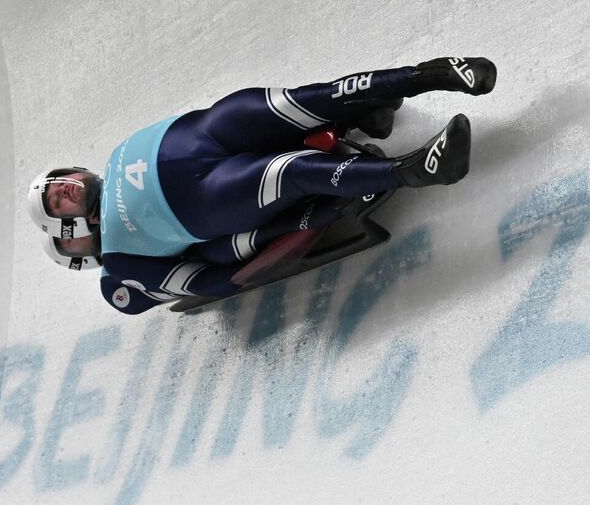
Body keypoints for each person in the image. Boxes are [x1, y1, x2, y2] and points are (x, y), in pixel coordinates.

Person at [26, 57, 496, 313]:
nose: (64, 191)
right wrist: (278, 238)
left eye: (58, 182)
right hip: (209, 196)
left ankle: (433, 74)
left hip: (214, 129)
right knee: (290, 170)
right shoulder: (119, 271)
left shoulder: (115, 154)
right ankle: (415, 169)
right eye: (56, 202)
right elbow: (205, 279)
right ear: (70, 232)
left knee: (308, 99)